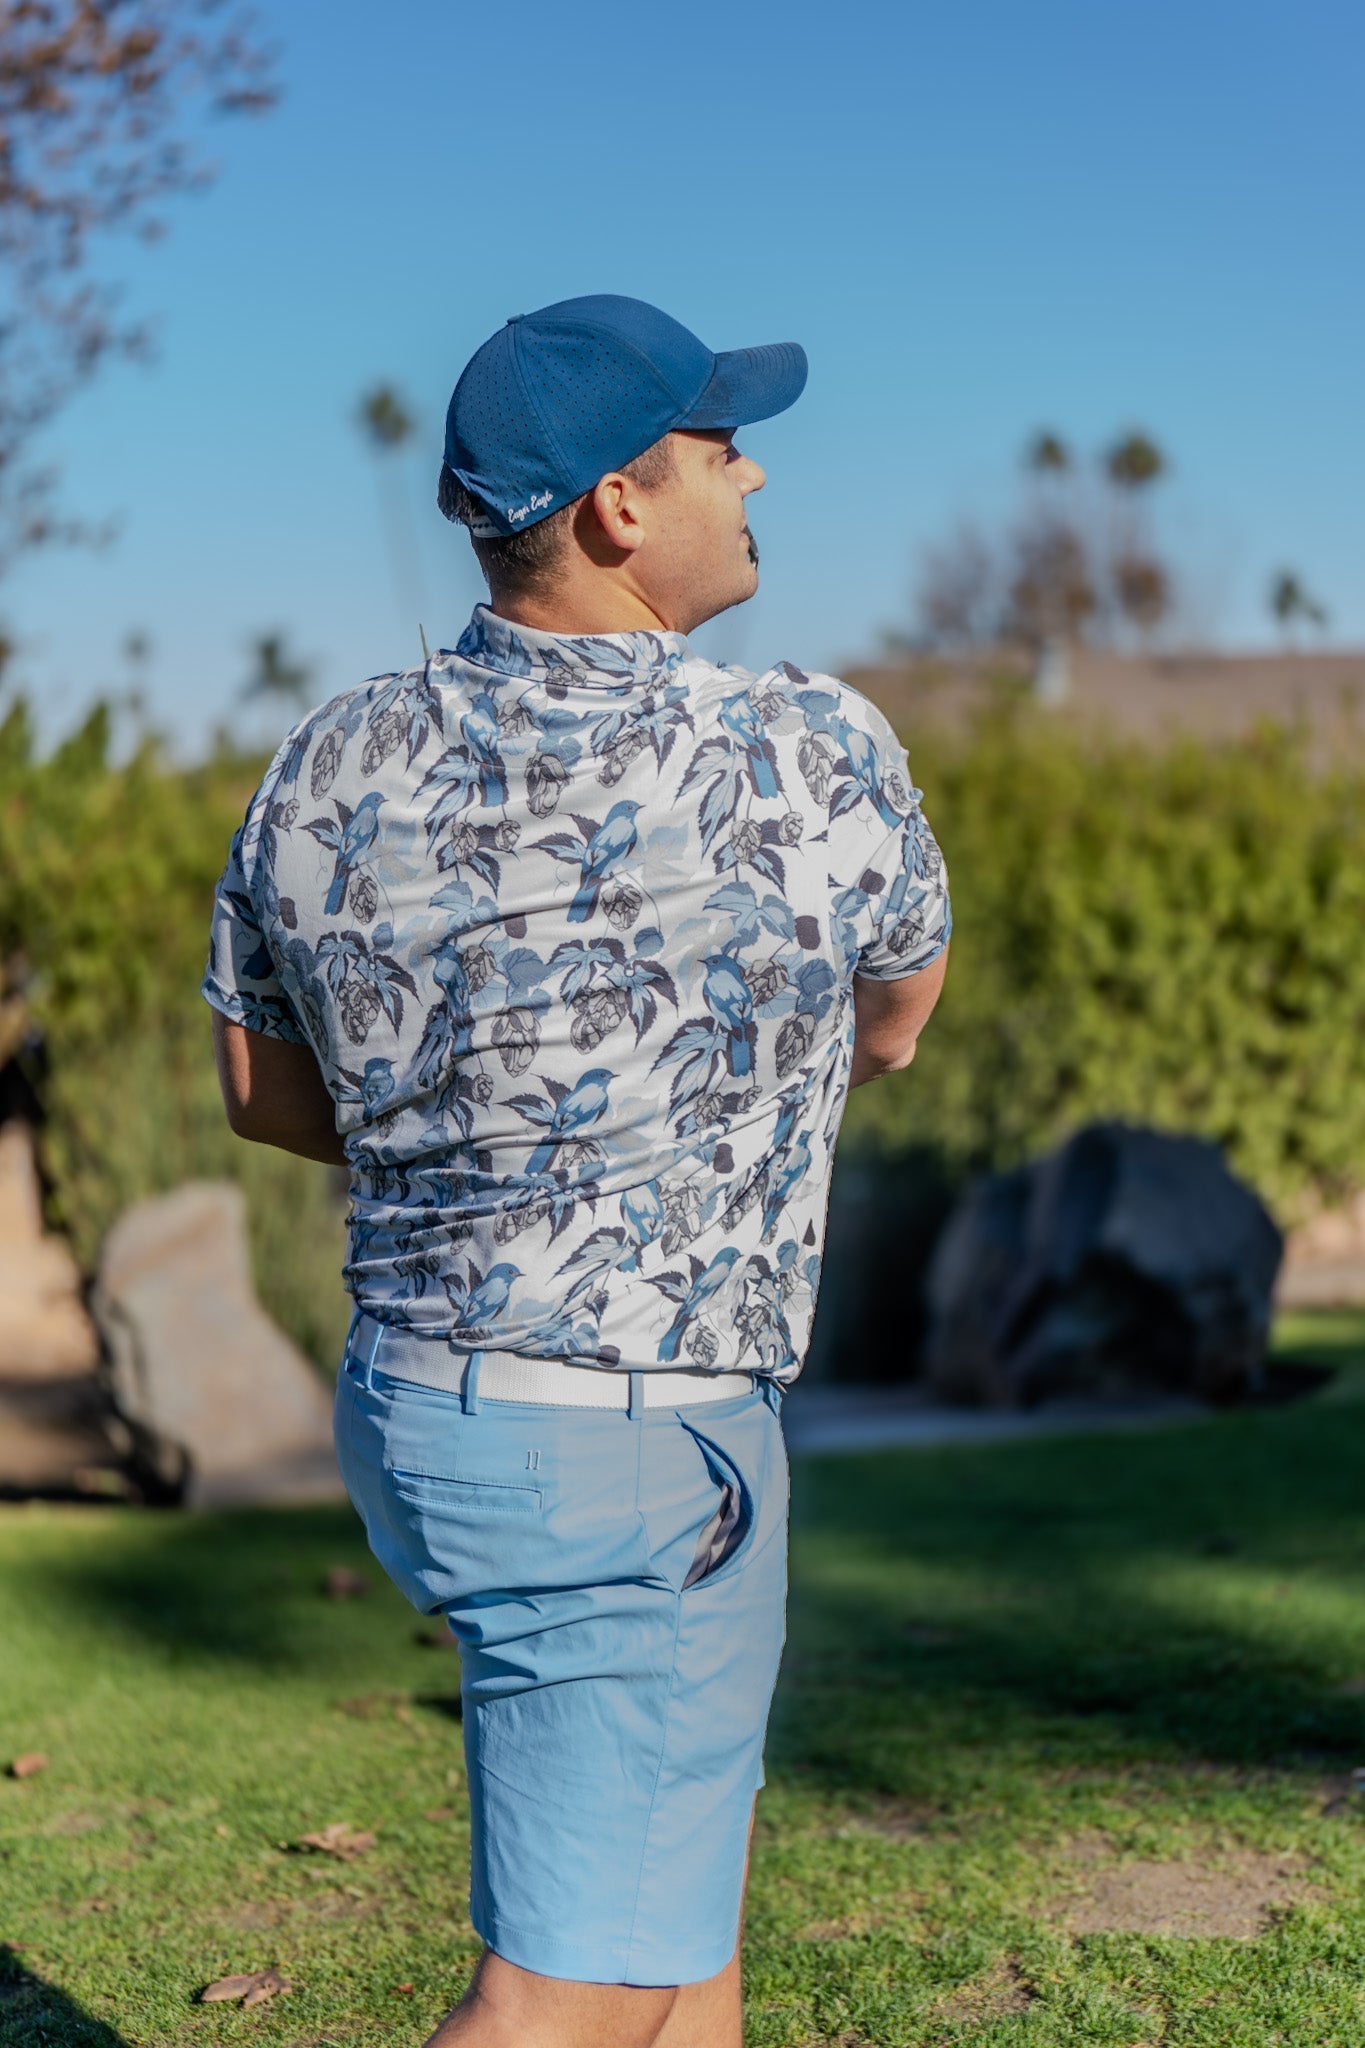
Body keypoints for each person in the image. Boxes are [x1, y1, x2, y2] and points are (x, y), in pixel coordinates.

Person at [204, 294, 950, 2048]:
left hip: (430, 1410)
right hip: (623, 1444)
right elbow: (895, 1023)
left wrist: (475, 1137)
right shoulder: (803, 749)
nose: (750, 469)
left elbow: (258, 1089)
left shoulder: (326, 759)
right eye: (716, 446)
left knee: (675, 1943)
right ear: (620, 505)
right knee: (564, 2003)